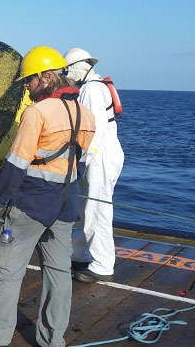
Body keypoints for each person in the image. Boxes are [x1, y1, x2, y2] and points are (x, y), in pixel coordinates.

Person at [0, 46, 95, 347]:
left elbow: (15, 165)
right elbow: (81, 164)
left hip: (30, 205)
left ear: (47, 77)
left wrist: (0, 204)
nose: (26, 86)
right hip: (66, 205)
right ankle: (53, 341)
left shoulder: (36, 113)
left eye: (29, 80)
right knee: (59, 274)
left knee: (8, 271)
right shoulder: (86, 114)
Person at [64, 48, 124, 283]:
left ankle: (102, 265)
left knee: (97, 211)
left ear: (77, 67)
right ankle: (79, 254)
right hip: (102, 156)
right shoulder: (95, 87)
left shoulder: (91, 90)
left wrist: (83, 160)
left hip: (99, 159)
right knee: (85, 209)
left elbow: (93, 132)